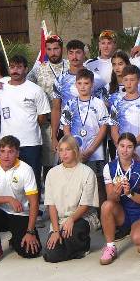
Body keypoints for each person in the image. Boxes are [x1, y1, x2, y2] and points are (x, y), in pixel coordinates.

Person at [0, 135, 42, 264]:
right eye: (2, 151)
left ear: (17, 153)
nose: (6, 156)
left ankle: (15, 239)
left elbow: (34, 203)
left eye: (11, 151)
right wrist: (8, 199)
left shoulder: (26, 169)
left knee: (31, 252)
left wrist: (30, 231)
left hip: (20, 214)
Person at [0, 55, 51, 190]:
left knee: (32, 181)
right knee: (8, 181)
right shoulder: (0, 90)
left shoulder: (36, 90)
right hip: (7, 145)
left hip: (31, 143)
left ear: (26, 69)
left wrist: (27, 126)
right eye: (12, 67)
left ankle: (34, 205)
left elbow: (42, 117)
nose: (15, 70)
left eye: (19, 67)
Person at [99, 133, 140, 264]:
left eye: (129, 147)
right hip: (123, 213)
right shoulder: (109, 167)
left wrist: (130, 194)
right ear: (116, 146)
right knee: (106, 205)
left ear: (134, 149)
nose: (125, 150)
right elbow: (110, 198)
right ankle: (110, 247)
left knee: (139, 242)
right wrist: (115, 193)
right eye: (122, 146)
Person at [43, 135, 99, 263]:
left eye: (68, 149)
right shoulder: (52, 173)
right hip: (60, 220)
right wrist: (56, 231)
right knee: (51, 254)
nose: (64, 153)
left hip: (81, 217)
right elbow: (51, 205)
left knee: (72, 232)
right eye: (61, 150)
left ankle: (83, 245)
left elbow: (85, 204)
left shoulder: (87, 172)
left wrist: (71, 219)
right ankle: (70, 249)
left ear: (75, 151)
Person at [60, 68, 111, 200]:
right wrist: (74, 149)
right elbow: (66, 128)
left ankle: (100, 212)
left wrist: (91, 149)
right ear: (76, 85)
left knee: (98, 183)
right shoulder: (70, 104)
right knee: (75, 183)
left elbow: (103, 128)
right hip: (75, 152)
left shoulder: (99, 104)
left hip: (95, 151)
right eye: (80, 83)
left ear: (92, 84)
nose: (83, 86)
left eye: (86, 83)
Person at [51, 40, 108, 157]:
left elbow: (104, 106)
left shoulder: (96, 79)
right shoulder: (60, 80)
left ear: (84, 54)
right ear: (67, 55)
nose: (74, 56)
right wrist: (53, 137)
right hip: (67, 130)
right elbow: (56, 109)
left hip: (92, 134)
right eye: (71, 53)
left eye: (78, 52)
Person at [27, 33, 68, 176]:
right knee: (49, 163)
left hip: (70, 123)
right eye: (49, 49)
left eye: (56, 49)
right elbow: (23, 85)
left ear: (61, 49)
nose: (53, 53)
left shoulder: (71, 65)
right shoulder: (38, 69)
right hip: (47, 124)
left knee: (69, 161)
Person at [109, 64, 140, 164]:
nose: (129, 83)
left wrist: (130, 145)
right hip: (122, 155)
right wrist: (123, 148)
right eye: (126, 80)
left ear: (138, 81)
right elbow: (114, 131)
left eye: (132, 80)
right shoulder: (116, 103)